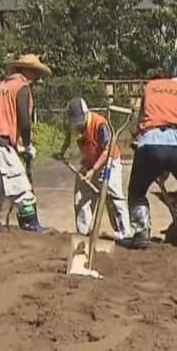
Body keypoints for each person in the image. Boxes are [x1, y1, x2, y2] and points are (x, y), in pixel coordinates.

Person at [0, 54, 51, 233]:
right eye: (34, 72)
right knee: (22, 189)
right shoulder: (22, 88)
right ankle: (29, 224)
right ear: (23, 70)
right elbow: (24, 120)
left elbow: (2, 118)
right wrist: (28, 144)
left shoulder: (2, 86)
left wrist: (17, 146)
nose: (36, 77)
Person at [128, 68, 177, 250]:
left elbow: (142, 119)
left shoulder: (151, 87)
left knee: (137, 191)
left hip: (150, 143)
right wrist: (174, 163)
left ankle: (141, 233)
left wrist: (158, 165)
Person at [54, 97, 130, 243]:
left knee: (113, 197)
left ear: (86, 113)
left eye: (80, 121)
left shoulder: (100, 124)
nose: (78, 125)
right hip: (89, 161)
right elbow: (69, 136)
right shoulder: (73, 124)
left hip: (108, 162)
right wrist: (62, 152)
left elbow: (107, 149)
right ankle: (84, 234)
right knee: (81, 196)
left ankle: (124, 234)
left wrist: (93, 171)